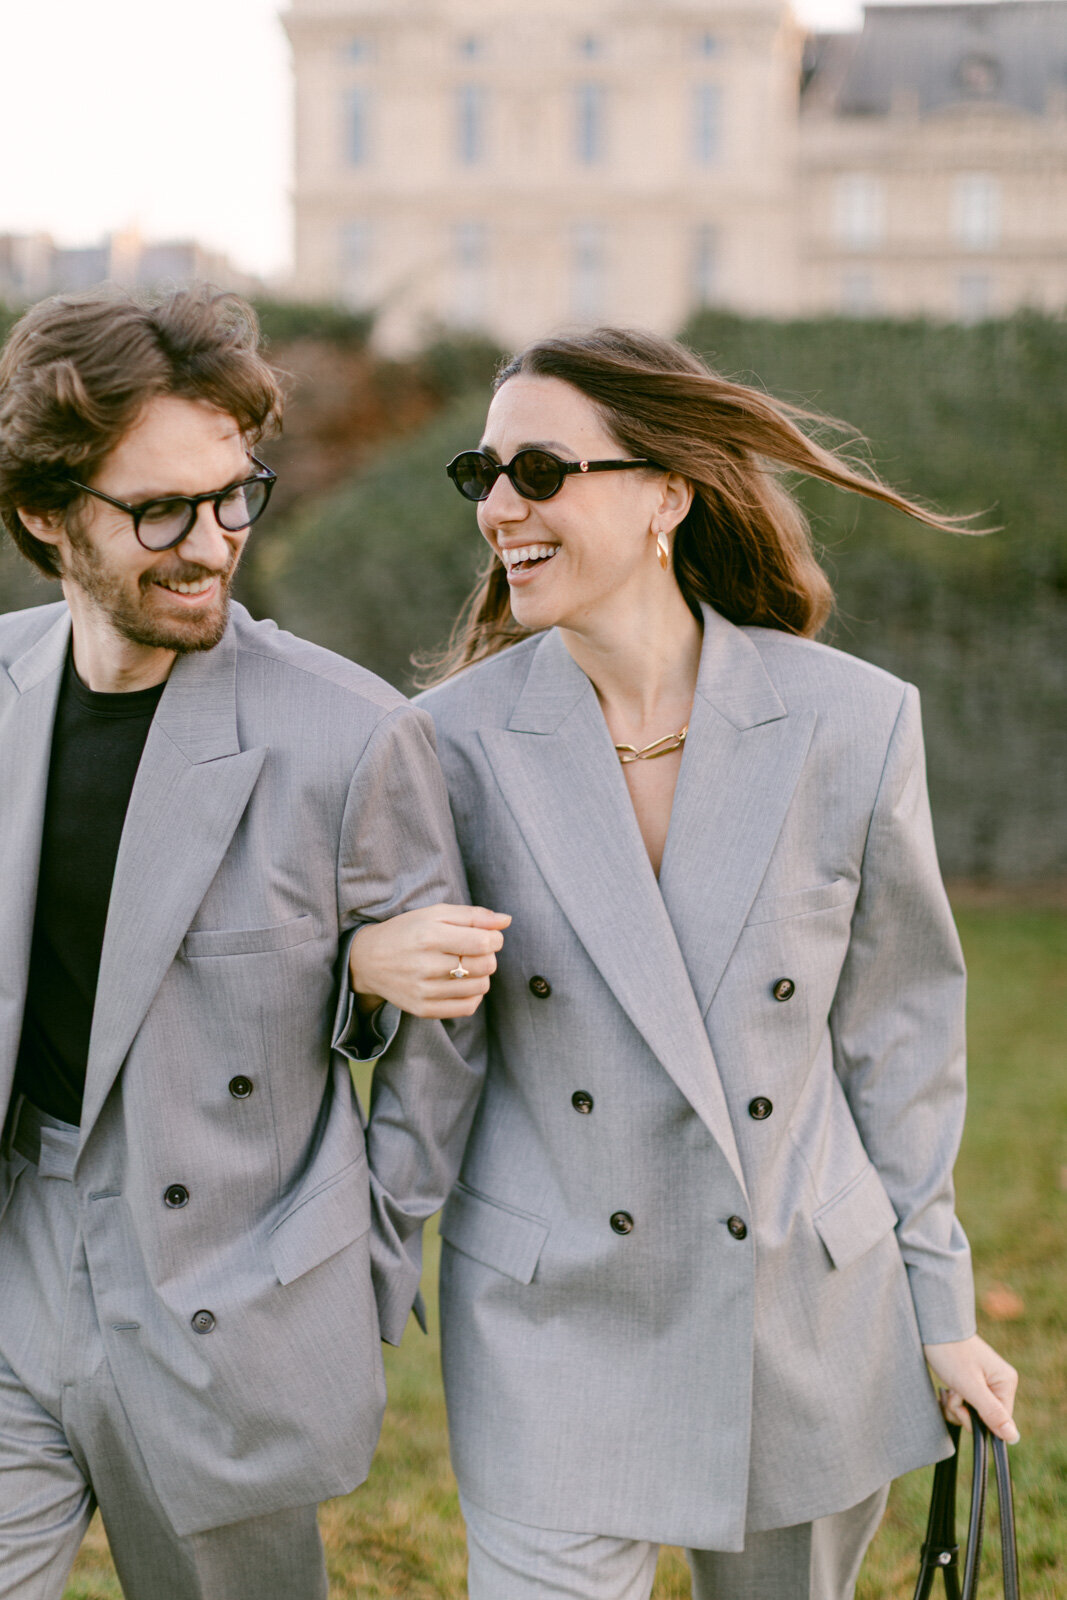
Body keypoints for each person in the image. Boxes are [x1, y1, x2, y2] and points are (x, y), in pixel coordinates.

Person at [348, 328, 1020, 1600]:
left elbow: (899, 1041)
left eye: (539, 470)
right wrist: (369, 1267)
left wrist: (939, 1306)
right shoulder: (443, 745)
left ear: (666, 493)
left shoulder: (853, 721)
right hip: (552, 1317)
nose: (498, 507)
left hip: (799, 1311)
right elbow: (436, 1062)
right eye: (480, 472)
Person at [0, 286, 506, 1600]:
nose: (212, 542)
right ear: (44, 513)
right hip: (14, 1254)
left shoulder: (349, 734)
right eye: (160, 508)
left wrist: (364, 1256)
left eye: (235, 496)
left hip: (225, 1284)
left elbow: (445, 1034)